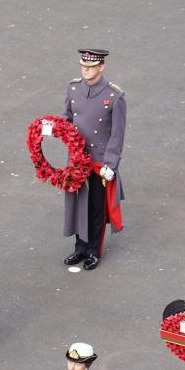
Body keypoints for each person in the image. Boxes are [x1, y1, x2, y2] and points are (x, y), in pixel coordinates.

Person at [62, 48, 126, 271]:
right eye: (83, 66)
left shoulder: (114, 96)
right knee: (79, 203)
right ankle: (80, 246)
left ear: (101, 67)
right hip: (77, 158)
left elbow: (117, 135)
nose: (86, 70)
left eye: (90, 67)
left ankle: (93, 250)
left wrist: (110, 164)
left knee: (97, 206)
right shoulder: (73, 88)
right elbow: (67, 119)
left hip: (99, 160)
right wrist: (54, 129)